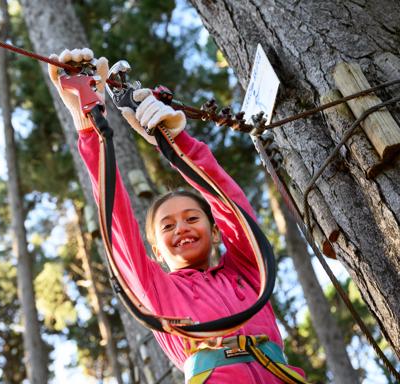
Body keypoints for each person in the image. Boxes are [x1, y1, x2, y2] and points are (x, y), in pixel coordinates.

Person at [48, 48, 306, 384]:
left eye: (192, 218)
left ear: (216, 233)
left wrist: (174, 140)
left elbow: (231, 206)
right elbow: (119, 228)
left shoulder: (248, 271)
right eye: (167, 226)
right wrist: (89, 124)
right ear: (156, 251)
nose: (181, 228)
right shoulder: (156, 290)